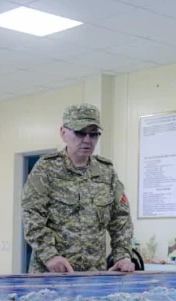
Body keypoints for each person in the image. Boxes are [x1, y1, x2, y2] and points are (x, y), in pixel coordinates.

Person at [21, 104, 134, 273]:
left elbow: (121, 219)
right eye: (80, 132)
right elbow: (32, 216)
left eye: (93, 134)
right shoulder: (46, 168)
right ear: (63, 133)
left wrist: (122, 256)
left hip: (92, 274)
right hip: (51, 274)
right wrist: (49, 255)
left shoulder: (106, 172)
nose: (87, 140)